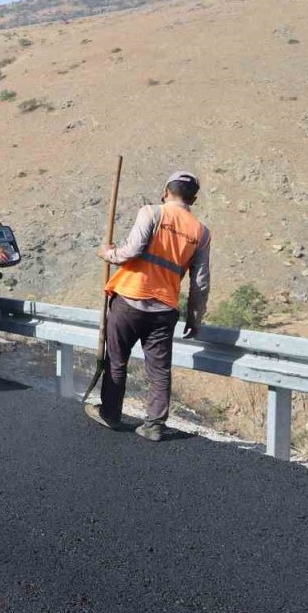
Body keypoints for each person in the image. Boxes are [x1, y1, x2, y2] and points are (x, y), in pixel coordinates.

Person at [86, 171, 211, 442]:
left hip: (130, 300)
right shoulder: (201, 232)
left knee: (117, 360)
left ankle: (110, 414)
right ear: (194, 199)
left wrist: (107, 253)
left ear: (165, 192)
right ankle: (154, 425)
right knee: (159, 369)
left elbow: (131, 251)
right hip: (164, 310)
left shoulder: (152, 213)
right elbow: (200, 283)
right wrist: (194, 317)